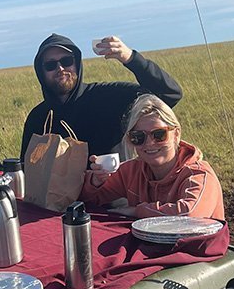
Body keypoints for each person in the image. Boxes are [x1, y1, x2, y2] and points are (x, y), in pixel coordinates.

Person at [20, 33, 182, 160]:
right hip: (57, 201)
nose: (61, 68)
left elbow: (169, 94)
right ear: (40, 72)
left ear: (77, 63)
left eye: (67, 61)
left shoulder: (109, 97)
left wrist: (131, 58)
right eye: (50, 65)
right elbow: (26, 168)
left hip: (114, 199)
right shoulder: (39, 118)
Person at [79, 94, 224, 219]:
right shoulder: (132, 171)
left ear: (176, 134)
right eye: (138, 137)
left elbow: (189, 215)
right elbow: (85, 199)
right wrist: (95, 181)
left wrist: (137, 211)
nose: (149, 143)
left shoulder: (199, 174)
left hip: (194, 249)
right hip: (151, 247)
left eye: (159, 134)